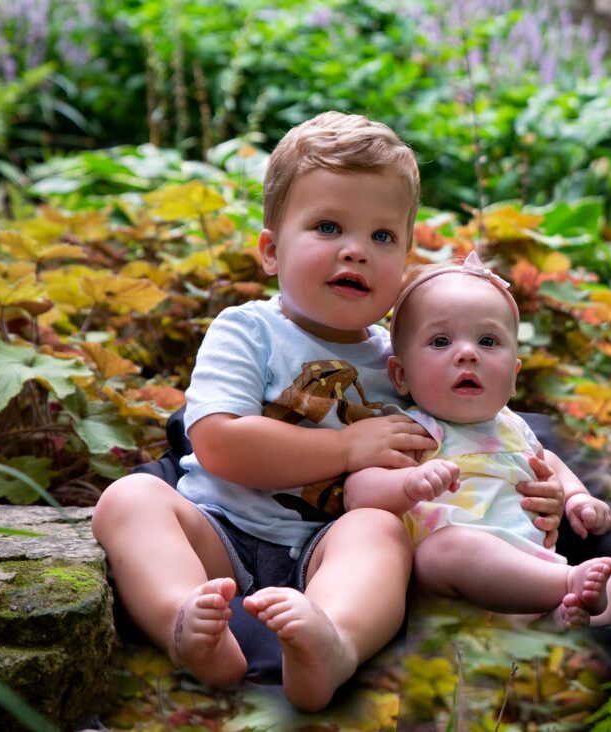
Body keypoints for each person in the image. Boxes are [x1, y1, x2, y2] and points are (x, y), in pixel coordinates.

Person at [91, 112, 566, 712]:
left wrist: (533, 494)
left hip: (327, 547)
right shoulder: (250, 330)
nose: (356, 251)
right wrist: (347, 448)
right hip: (216, 528)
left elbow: (472, 441)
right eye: (327, 226)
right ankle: (185, 622)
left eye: (383, 237)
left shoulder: (405, 359)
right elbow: (218, 442)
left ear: (405, 261)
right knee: (129, 501)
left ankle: (332, 639)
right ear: (270, 250)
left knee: (380, 530)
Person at [344, 252, 611, 629]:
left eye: (488, 341)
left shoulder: (516, 429)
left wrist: (577, 498)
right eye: (441, 341)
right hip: (451, 593)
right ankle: (563, 588)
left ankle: (556, 616)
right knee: (445, 551)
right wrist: (408, 484)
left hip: (530, 569)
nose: (467, 353)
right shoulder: (413, 430)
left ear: (513, 377)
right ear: (400, 376)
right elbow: (358, 493)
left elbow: (552, 465)